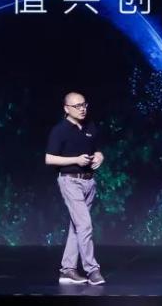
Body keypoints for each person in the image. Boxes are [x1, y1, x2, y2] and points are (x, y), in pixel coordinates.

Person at [45, 91, 106, 285]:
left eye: (84, 104)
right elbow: (49, 159)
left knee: (77, 227)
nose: (82, 109)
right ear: (66, 109)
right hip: (70, 181)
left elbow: (97, 149)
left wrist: (99, 156)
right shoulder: (60, 130)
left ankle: (68, 270)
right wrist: (76, 160)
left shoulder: (90, 126)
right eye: (77, 106)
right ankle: (92, 270)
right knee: (84, 225)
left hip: (89, 182)